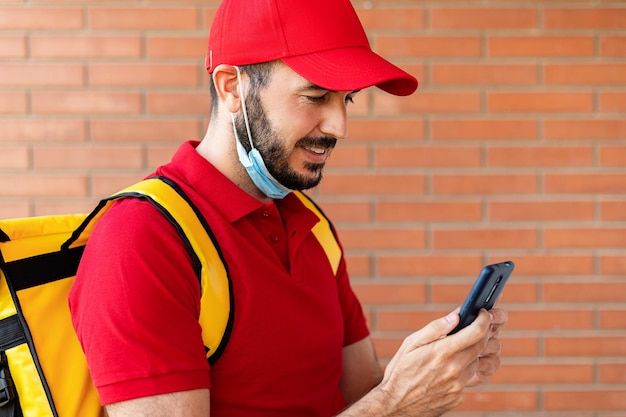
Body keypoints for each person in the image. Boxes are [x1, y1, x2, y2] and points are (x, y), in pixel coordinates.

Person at [69, 0, 508, 416]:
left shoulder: (311, 224)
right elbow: (381, 407)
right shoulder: (143, 239)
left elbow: (359, 398)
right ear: (232, 87)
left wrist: (427, 381)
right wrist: (394, 403)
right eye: (316, 96)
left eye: (346, 99)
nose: (340, 126)